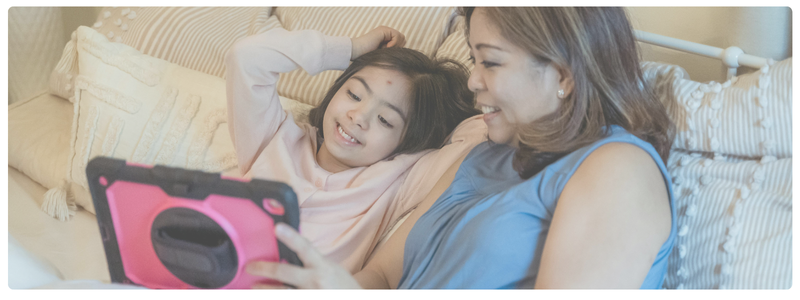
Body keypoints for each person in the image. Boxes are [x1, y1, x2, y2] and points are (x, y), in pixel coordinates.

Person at [244, 7, 677, 289]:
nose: (473, 81)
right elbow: (382, 274)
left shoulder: (617, 169)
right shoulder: (484, 153)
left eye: (490, 62)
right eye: (474, 61)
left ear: (564, 75)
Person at [225, 26, 481, 273]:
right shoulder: (273, 136)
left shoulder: (398, 181)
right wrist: (350, 48)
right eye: (355, 95)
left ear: (408, 142)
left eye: (385, 120)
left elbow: (481, 138)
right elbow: (247, 57)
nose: (358, 117)